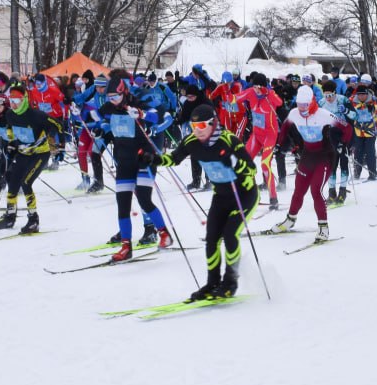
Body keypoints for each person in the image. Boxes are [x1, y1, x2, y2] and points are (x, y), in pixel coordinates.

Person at [157, 104, 258, 300]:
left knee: (230, 235)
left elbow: (251, 168)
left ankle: (230, 283)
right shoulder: (192, 141)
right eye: (194, 125)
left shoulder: (228, 141)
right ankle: (212, 283)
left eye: (202, 125)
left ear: (213, 124)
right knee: (211, 238)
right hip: (221, 195)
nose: (198, 130)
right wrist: (153, 159)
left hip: (244, 195)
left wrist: (235, 164)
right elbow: (174, 158)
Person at [96, 75, 172, 261]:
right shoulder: (108, 107)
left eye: (115, 96)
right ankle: (126, 247)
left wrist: (142, 115)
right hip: (124, 159)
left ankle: (164, 233)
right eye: (109, 97)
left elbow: (159, 116)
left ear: (124, 92)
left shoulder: (138, 102)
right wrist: (99, 127)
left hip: (143, 157)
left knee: (144, 199)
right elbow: (95, 117)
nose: (112, 100)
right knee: (123, 204)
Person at [269, 85, 350, 242]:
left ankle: (323, 227)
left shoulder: (323, 114)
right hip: (308, 155)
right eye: (299, 104)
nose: (301, 108)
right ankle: (290, 220)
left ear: (311, 102)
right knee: (299, 189)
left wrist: (342, 143)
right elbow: (284, 128)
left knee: (315, 190)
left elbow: (346, 128)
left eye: (305, 105)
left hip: (325, 156)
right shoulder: (294, 113)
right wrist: (279, 145)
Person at [0, 83, 53, 234]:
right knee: (11, 178)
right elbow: (11, 130)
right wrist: (12, 143)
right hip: (24, 153)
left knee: (26, 182)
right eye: (11, 101)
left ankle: (33, 219)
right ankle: (10, 216)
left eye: (17, 101)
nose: (14, 104)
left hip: (40, 153)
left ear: (24, 100)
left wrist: (59, 142)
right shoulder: (10, 115)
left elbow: (56, 124)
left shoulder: (35, 114)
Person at [237, 72, 283, 209]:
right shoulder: (251, 92)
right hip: (256, 135)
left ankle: (273, 198)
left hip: (270, 134)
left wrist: (268, 92)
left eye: (259, 87)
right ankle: (250, 194)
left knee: (265, 164)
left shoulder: (270, 95)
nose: (256, 89)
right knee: (244, 161)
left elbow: (279, 102)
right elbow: (236, 98)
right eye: (255, 86)